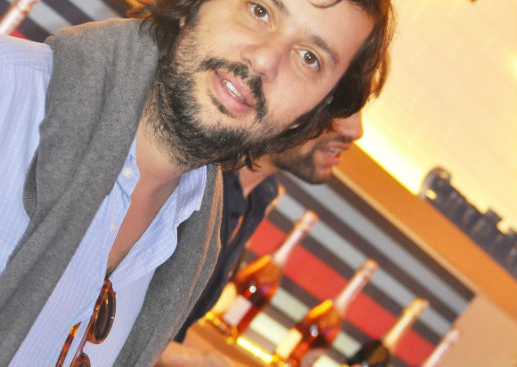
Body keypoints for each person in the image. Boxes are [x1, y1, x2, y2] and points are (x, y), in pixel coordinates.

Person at [0, 0, 393, 367]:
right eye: (260, 10)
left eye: (310, 58)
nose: (265, 59)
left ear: (313, 114)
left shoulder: (193, 235)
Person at [156, 112, 364, 367]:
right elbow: (119, 312)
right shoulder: (196, 170)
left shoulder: (261, 196)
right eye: (343, 106)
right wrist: (200, 360)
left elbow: (168, 330)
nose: (356, 131)